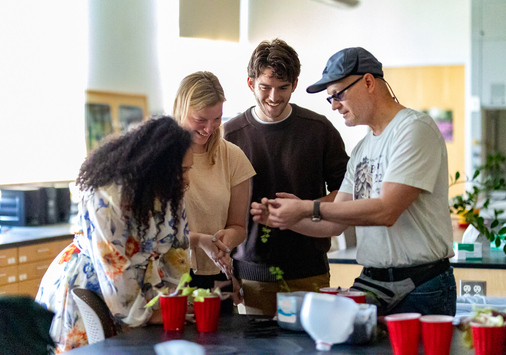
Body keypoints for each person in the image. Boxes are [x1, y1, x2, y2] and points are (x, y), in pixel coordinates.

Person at [252, 47, 457, 316]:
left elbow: (386, 210)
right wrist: (288, 219)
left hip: (421, 283)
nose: (335, 104)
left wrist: (305, 208)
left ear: (368, 82)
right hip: (374, 280)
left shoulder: (414, 129)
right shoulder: (362, 149)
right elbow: (336, 222)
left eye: (338, 94)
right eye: (330, 99)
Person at [35, 116, 220, 352]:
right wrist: (145, 315)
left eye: (188, 169)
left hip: (140, 292)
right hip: (95, 291)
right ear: (155, 167)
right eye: (181, 171)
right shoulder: (105, 194)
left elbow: (177, 251)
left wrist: (177, 300)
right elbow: (114, 267)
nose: (186, 179)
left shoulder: (169, 189)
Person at [224, 39, 349, 316]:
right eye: (265, 87)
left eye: (282, 88)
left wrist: (304, 208)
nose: (273, 97)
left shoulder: (319, 130)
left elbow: (348, 195)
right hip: (249, 276)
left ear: (294, 84)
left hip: (310, 271)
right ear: (250, 83)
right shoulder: (229, 136)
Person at [173, 71, 256, 311]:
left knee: (225, 344)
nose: (209, 128)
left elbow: (238, 227)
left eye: (217, 118)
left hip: (218, 275)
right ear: (181, 108)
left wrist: (225, 242)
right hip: (171, 276)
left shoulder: (233, 156)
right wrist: (200, 241)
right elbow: (151, 236)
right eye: (201, 119)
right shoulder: (161, 157)